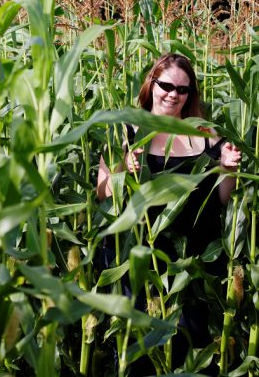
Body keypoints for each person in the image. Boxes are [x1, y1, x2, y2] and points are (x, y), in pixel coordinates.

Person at [96, 53, 241, 370]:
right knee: (140, 355)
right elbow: (103, 192)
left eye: (183, 89)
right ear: (151, 84)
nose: (173, 94)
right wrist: (122, 168)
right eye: (166, 86)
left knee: (190, 354)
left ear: (191, 93)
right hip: (139, 262)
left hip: (193, 266)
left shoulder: (208, 137)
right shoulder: (125, 131)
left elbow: (222, 199)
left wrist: (228, 169)